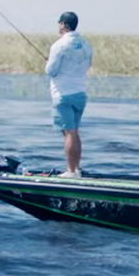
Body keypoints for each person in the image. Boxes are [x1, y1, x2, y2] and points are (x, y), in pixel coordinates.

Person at [45, 11, 93, 177]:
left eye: (59, 23)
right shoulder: (86, 44)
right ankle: (76, 169)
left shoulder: (59, 45)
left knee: (69, 132)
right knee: (73, 132)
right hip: (80, 93)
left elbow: (51, 70)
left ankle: (71, 171)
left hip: (63, 94)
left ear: (64, 24)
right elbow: (88, 64)